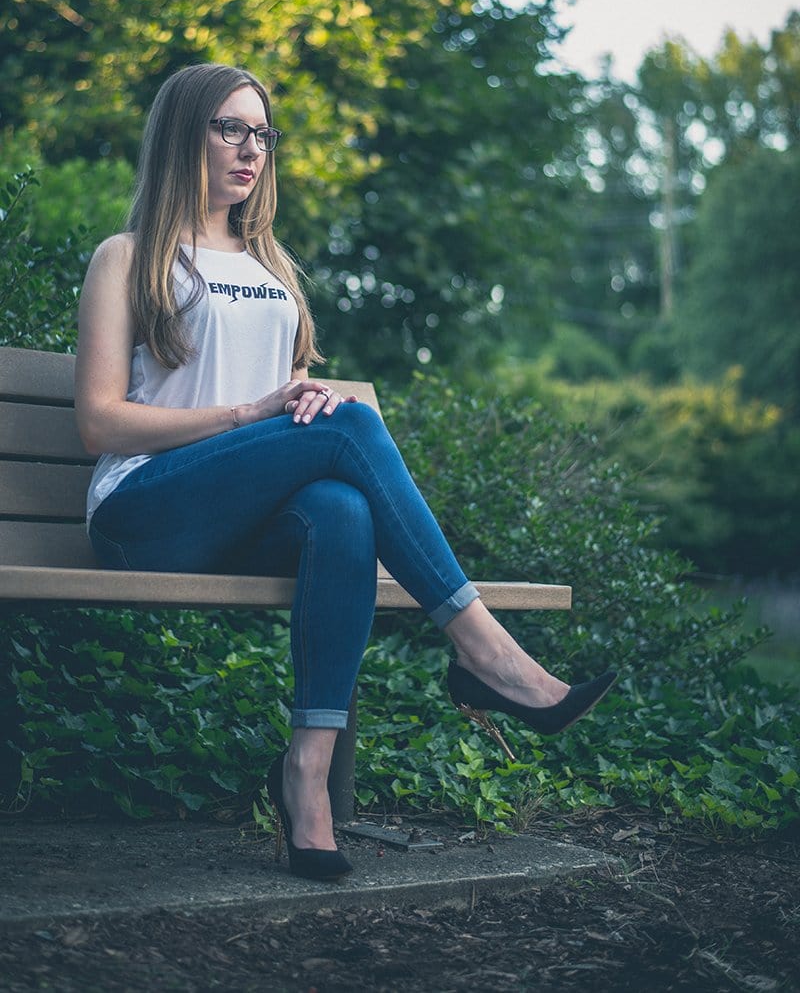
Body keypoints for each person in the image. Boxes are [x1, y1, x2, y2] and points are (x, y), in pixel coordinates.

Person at [76, 63, 615, 882]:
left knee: (341, 509)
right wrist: (249, 414)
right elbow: (98, 422)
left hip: (242, 518)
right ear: (183, 134)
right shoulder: (127, 258)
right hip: (145, 512)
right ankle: (488, 656)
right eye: (229, 127)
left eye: (262, 133)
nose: (250, 149)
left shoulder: (273, 270)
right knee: (353, 424)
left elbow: (289, 419)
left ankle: (308, 775)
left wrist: (295, 404)